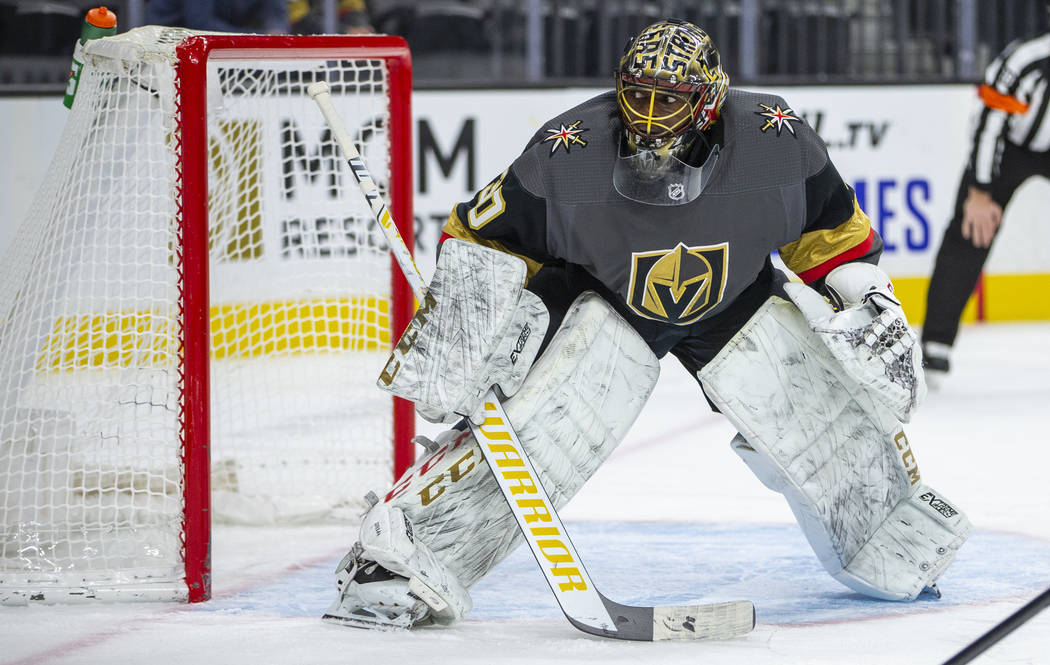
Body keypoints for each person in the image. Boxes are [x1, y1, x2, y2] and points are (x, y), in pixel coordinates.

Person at [324, 19, 972, 630]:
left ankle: (888, 534)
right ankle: (396, 555)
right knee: (543, 430)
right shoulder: (569, 150)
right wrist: (469, 326)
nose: (650, 115)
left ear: (711, 101)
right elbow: (482, 235)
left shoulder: (775, 138)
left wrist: (870, 299)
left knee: (816, 415)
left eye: (671, 99)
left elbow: (833, 237)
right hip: (606, 294)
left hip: (735, 293)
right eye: (637, 94)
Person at [922, 20, 1050, 377]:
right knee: (970, 230)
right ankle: (936, 345)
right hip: (1011, 146)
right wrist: (980, 192)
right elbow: (988, 126)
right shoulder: (1026, 61)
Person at [144, 0, 290, 34]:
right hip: (162, 47)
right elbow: (200, 23)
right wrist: (257, 38)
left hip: (221, 46)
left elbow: (276, 14)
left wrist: (276, 32)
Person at [288, 0, 373, 35]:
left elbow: (352, 7)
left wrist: (360, 29)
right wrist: (345, 32)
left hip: (339, 39)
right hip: (303, 44)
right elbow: (299, 18)